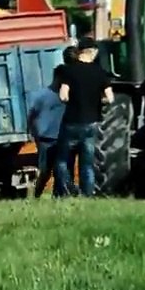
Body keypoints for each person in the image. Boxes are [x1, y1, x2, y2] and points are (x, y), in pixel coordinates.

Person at [53, 35, 114, 198]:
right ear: (93, 52)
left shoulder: (69, 70)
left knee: (62, 161)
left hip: (71, 122)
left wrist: (72, 99)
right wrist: (97, 99)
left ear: (79, 51)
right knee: (87, 163)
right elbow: (110, 98)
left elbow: (63, 95)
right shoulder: (100, 72)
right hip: (92, 122)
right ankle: (87, 194)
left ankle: (67, 190)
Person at [26, 79, 65, 198]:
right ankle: (41, 194)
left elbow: (31, 115)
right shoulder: (65, 96)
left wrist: (32, 132)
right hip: (51, 137)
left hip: (47, 137)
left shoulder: (41, 95)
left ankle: (53, 194)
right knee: (51, 169)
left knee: (50, 169)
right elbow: (32, 115)